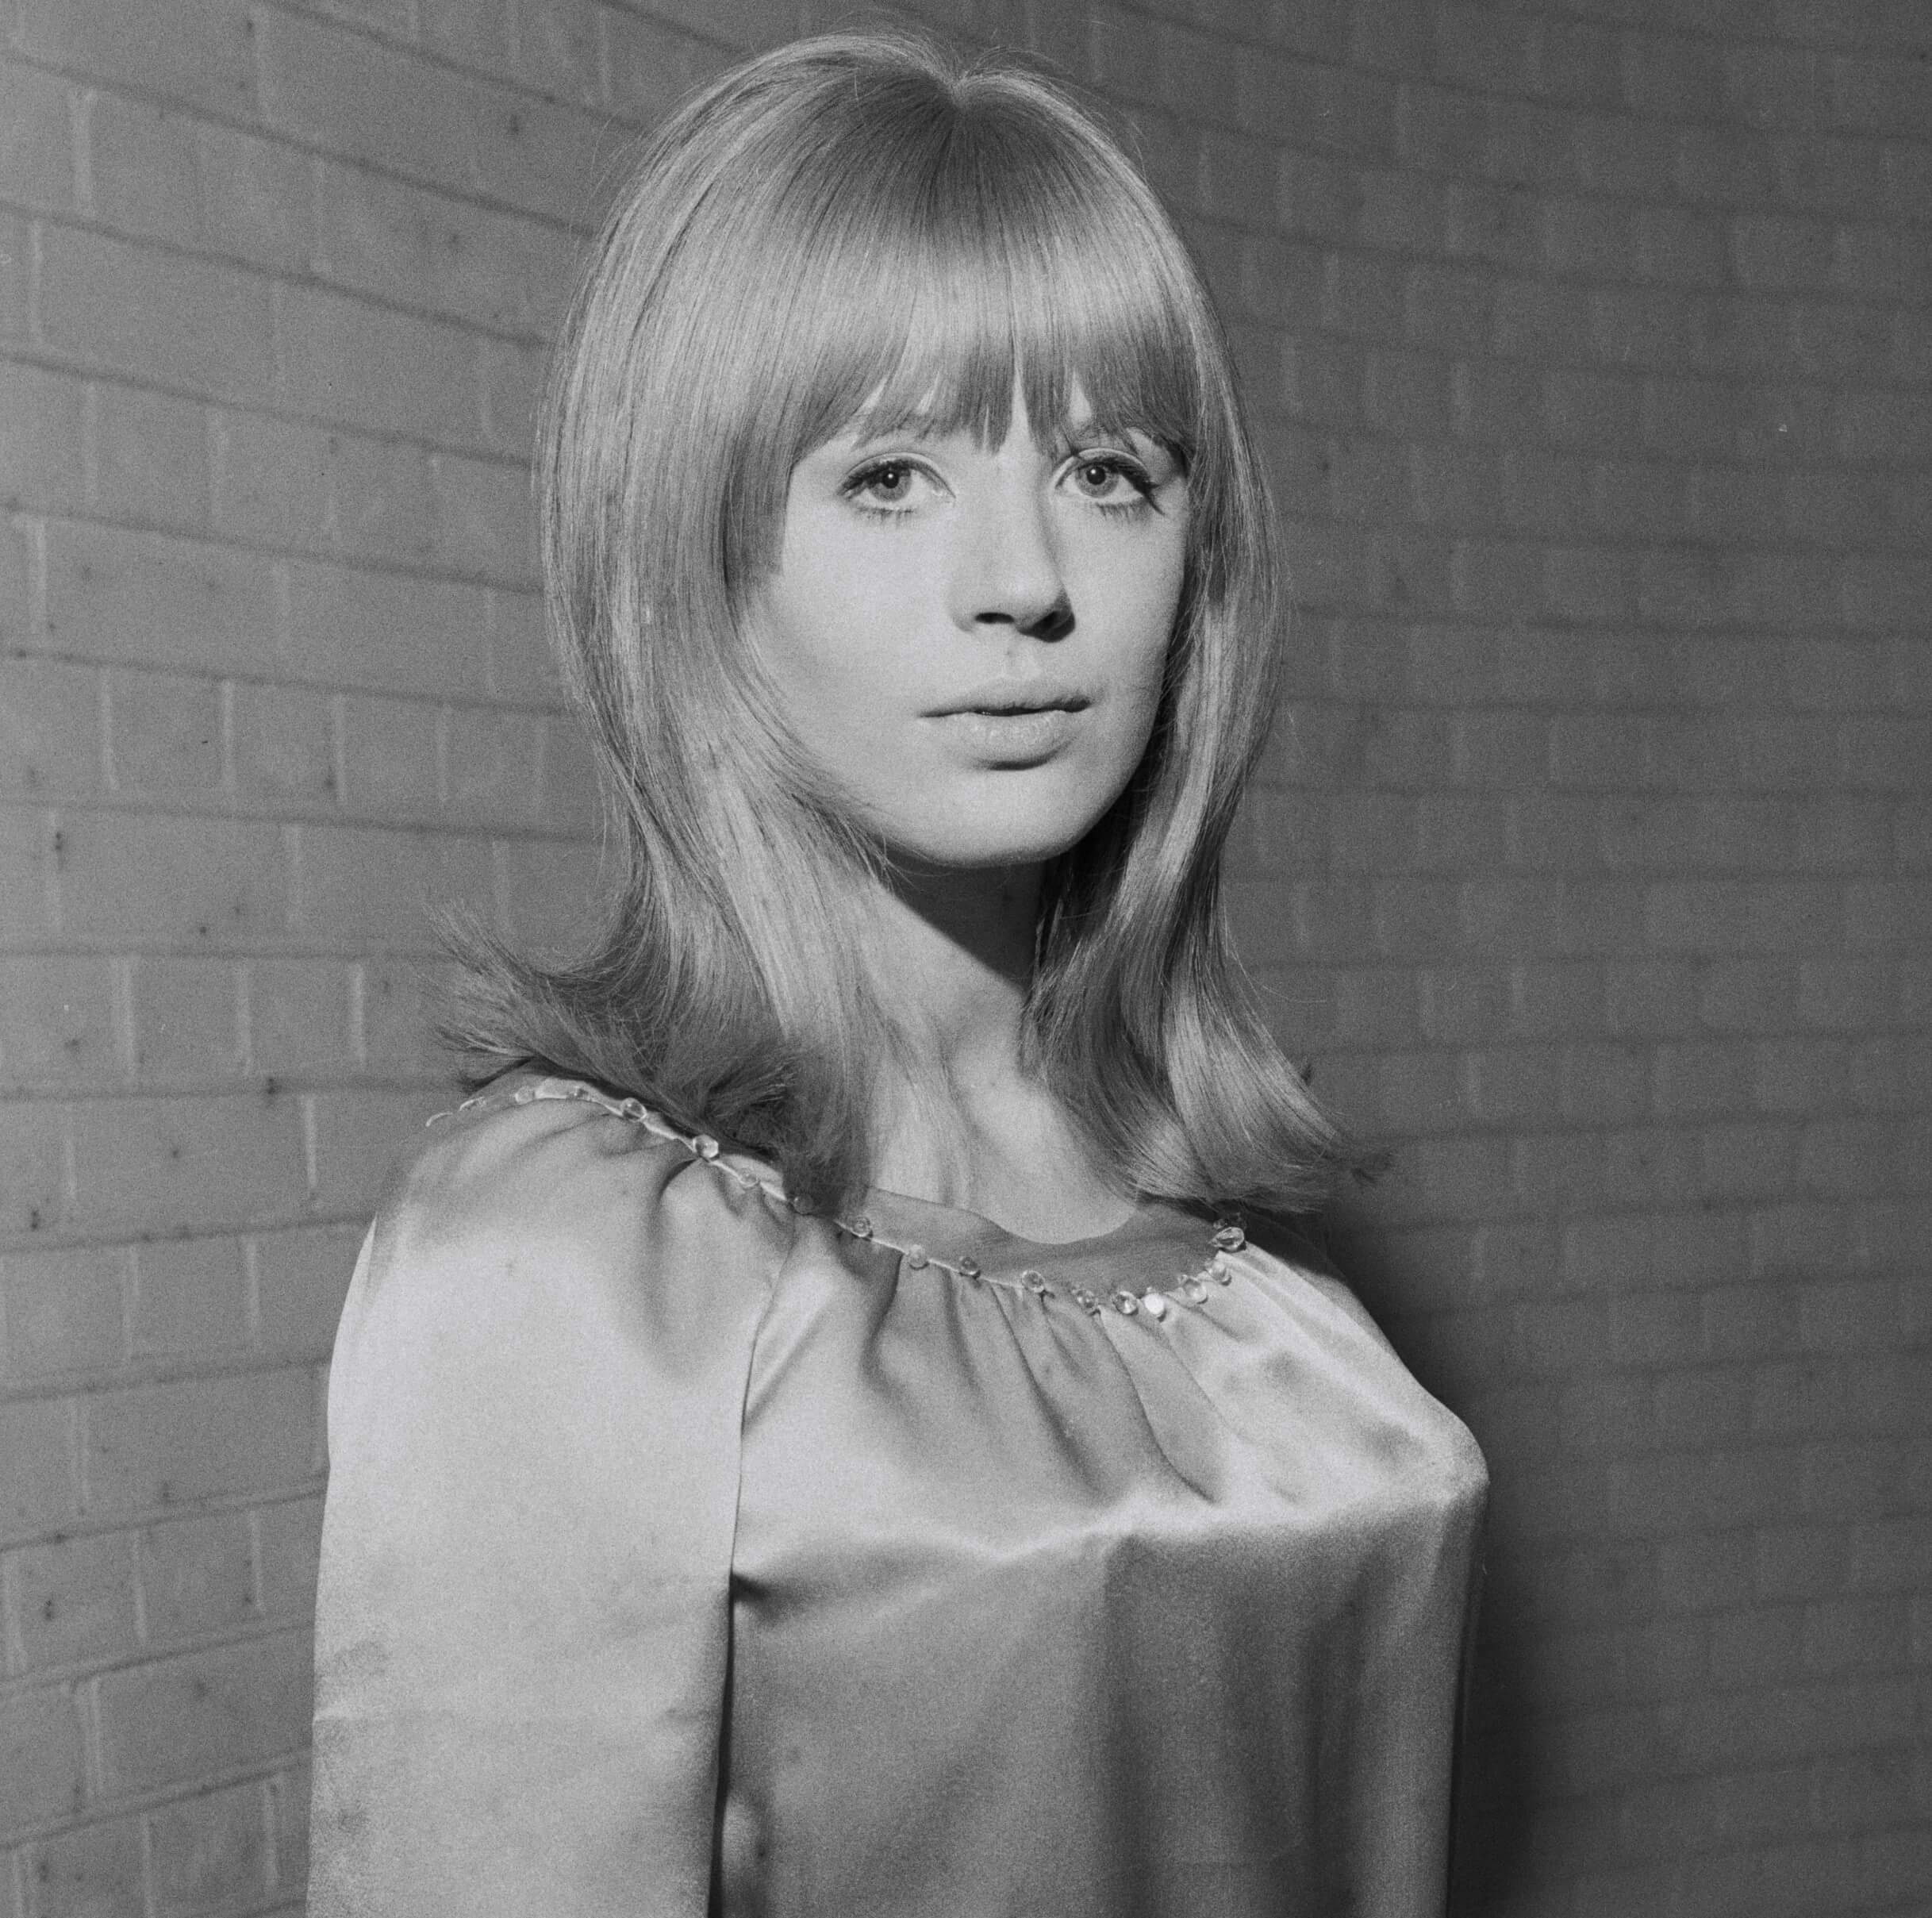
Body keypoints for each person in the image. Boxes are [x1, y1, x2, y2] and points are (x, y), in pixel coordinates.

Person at [306, 29, 1487, 1917]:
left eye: (1109, 471)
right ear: (693, 558)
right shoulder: (569, 1258)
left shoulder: (1233, 1246)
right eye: (889, 479)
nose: (1022, 580)